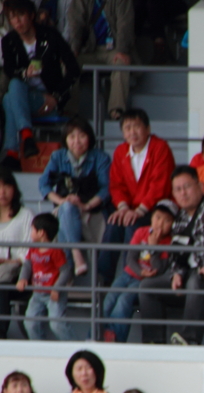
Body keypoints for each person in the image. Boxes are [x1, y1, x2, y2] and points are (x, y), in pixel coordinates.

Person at [138, 166, 204, 346]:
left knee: (196, 278)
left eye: (187, 187)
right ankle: (154, 341)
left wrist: (202, 265)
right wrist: (177, 273)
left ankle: (189, 338)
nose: (183, 193)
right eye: (178, 189)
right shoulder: (181, 217)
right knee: (147, 287)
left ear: (199, 185)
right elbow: (178, 254)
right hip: (192, 273)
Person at [0, 0, 80, 168]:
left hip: (48, 99)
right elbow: (9, 69)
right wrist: (24, 73)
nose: (17, 22)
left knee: (9, 99)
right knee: (14, 87)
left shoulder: (50, 35)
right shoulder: (9, 40)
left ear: (32, 16)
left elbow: (73, 68)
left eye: (21, 16)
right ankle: (27, 136)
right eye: (13, 18)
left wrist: (57, 97)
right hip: (24, 97)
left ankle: (13, 152)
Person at [102, 108, 175, 284]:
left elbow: (160, 185)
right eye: (127, 128)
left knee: (131, 225)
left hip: (154, 208)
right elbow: (116, 185)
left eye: (136, 126)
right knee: (114, 223)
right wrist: (123, 208)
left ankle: (131, 276)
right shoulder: (120, 151)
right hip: (130, 208)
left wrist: (140, 210)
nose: (132, 132)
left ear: (148, 129)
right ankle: (102, 278)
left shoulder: (160, 148)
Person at [39, 117, 112, 277]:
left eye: (81, 136)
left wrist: (86, 206)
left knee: (64, 215)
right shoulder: (58, 156)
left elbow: (106, 189)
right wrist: (62, 200)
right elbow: (43, 184)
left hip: (92, 212)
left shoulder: (101, 157)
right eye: (72, 136)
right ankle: (76, 253)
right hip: (65, 210)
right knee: (66, 208)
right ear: (65, 139)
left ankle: (67, 269)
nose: (76, 141)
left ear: (89, 138)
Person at [101, 203, 174, 343]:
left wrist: (153, 249)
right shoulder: (141, 232)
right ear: (151, 218)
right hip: (127, 274)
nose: (160, 223)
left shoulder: (168, 243)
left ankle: (116, 338)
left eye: (167, 221)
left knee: (124, 301)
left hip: (142, 282)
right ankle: (94, 335)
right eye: (158, 217)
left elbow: (159, 268)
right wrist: (140, 271)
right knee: (109, 299)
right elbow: (130, 258)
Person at [63, 0, 133, 119]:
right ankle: (68, 110)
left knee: (122, 63)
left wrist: (122, 50)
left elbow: (124, 24)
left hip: (114, 49)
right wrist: (74, 49)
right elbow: (75, 23)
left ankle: (116, 110)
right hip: (88, 49)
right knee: (68, 64)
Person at [16, 214, 72, 341]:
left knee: (57, 324)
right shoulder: (33, 248)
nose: (30, 233)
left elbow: (65, 271)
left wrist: (56, 289)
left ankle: (75, 350)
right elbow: (27, 265)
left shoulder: (55, 250)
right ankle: (40, 349)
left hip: (53, 294)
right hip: (37, 293)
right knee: (30, 323)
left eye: (32, 230)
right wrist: (22, 278)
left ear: (41, 233)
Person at [0, 168, 35, 339]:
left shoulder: (25, 215)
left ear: (14, 189)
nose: (2, 192)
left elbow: (29, 250)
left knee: (2, 284)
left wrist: (9, 261)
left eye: (6, 186)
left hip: (18, 273)